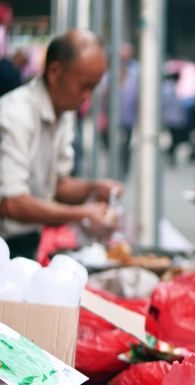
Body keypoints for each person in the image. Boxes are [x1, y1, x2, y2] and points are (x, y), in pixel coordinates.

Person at [0, 29, 121, 259]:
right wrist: (81, 213)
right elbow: (11, 203)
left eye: (93, 88)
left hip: (27, 240)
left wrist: (95, 188)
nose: (87, 96)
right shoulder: (15, 114)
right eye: (84, 86)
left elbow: (58, 185)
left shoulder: (64, 113)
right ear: (55, 71)